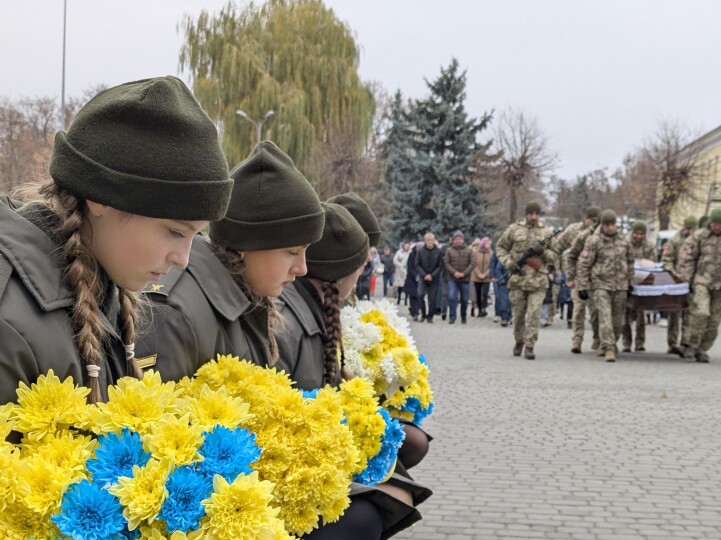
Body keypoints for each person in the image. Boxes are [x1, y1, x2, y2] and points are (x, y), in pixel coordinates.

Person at [0, 76, 232, 406]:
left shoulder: (101, 284)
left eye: (197, 235)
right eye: (175, 232)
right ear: (100, 199)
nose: (183, 258)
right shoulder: (10, 321)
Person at [276, 202, 429, 539]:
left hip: (320, 446)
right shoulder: (290, 320)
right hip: (298, 465)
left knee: (405, 464)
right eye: (362, 266)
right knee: (371, 512)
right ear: (343, 271)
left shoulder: (314, 309)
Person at [136, 140, 324, 382]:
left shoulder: (244, 296)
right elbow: (151, 416)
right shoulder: (175, 313)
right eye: (291, 251)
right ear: (247, 245)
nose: (302, 268)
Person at [676, 209, 721, 363]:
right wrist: (686, 279)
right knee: (701, 313)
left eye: (720, 224)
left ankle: (702, 349)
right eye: (714, 224)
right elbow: (687, 258)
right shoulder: (699, 236)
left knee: (714, 320)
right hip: (702, 281)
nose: (717, 227)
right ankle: (692, 344)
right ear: (710, 223)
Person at [496, 202, 557, 359]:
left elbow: (555, 255)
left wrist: (542, 252)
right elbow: (500, 248)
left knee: (534, 314)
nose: (534, 217)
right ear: (526, 214)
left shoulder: (546, 232)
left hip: (538, 281)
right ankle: (519, 341)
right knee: (518, 316)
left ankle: (530, 345)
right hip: (518, 279)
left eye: (537, 214)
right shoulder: (514, 229)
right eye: (531, 214)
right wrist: (509, 263)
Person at [577, 210, 633, 362]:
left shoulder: (624, 240)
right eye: (607, 225)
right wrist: (582, 286)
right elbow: (584, 264)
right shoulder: (593, 241)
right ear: (602, 225)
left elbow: (630, 262)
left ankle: (610, 343)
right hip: (601, 284)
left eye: (612, 224)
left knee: (617, 321)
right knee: (605, 317)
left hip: (620, 285)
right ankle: (608, 347)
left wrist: (631, 283)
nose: (610, 228)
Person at [556, 207, 601, 352]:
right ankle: (577, 341)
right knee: (578, 310)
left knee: (596, 312)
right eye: (591, 220)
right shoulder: (573, 230)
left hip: (596, 278)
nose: (592, 223)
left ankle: (597, 338)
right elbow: (560, 249)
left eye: (595, 220)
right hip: (578, 277)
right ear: (585, 218)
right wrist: (567, 275)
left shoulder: (601, 233)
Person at [661, 216, 698, 355]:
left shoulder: (697, 241)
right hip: (676, 282)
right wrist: (674, 274)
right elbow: (667, 259)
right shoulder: (675, 241)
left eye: (692, 229)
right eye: (688, 228)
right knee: (674, 314)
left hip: (692, 283)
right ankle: (672, 343)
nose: (690, 231)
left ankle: (686, 343)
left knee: (690, 314)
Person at [622, 220, 657, 353]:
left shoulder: (649, 246)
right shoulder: (625, 244)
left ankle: (640, 343)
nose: (639, 236)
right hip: (627, 284)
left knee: (641, 316)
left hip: (643, 284)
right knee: (626, 316)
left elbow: (653, 263)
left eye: (642, 234)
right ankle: (626, 343)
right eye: (636, 233)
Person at [443, 230, 475, 324]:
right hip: (452, 279)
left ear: (463, 240)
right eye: (456, 239)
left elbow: (473, 263)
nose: (458, 241)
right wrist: (454, 272)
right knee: (452, 297)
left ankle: (463, 316)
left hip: (465, 279)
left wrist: (464, 273)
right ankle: (452, 317)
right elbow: (446, 263)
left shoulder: (469, 250)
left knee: (464, 299)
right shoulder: (449, 250)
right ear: (453, 240)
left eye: (460, 239)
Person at [414, 233, 443, 323]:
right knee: (420, 295)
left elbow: (440, 265)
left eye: (431, 240)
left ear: (434, 241)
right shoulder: (420, 251)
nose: (430, 242)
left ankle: (430, 317)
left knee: (432, 298)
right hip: (423, 278)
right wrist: (424, 275)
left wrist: (432, 275)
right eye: (428, 240)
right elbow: (417, 264)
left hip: (434, 279)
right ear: (425, 241)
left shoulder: (439, 252)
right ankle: (423, 314)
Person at [490, 241, 512, 326]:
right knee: (503, 301)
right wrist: (501, 280)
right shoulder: (503, 258)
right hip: (503, 282)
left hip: (513, 283)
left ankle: (510, 317)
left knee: (511, 301)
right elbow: (498, 269)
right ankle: (504, 318)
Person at [471, 236, 494, 318]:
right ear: (484, 244)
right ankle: (480, 310)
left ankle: (484, 309)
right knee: (478, 294)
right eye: (488, 244)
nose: (489, 245)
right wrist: (479, 274)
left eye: (490, 244)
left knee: (485, 293)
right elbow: (473, 264)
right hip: (477, 276)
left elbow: (491, 266)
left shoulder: (491, 253)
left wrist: (485, 274)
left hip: (486, 277)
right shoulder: (476, 252)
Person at [404, 242, 423, 320]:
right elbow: (410, 267)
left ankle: (417, 310)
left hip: (421, 277)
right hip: (411, 279)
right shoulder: (412, 255)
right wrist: (415, 276)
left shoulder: (423, 255)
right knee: (413, 296)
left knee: (419, 296)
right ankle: (414, 312)